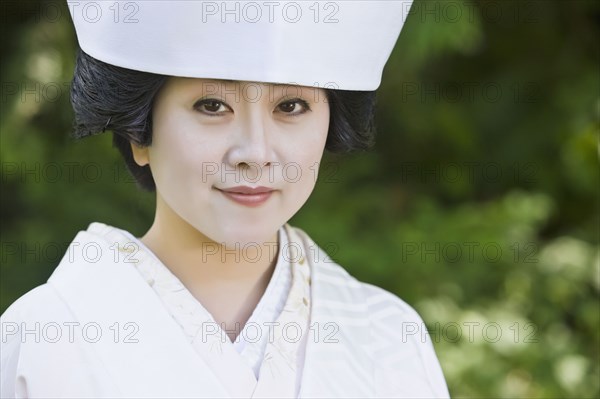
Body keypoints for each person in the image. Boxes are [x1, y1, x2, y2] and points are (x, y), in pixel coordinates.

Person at [0, 1, 450, 397]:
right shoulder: (45, 336)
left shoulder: (388, 336)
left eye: (291, 106)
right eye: (212, 106)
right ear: (138, 130)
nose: (255, 154)